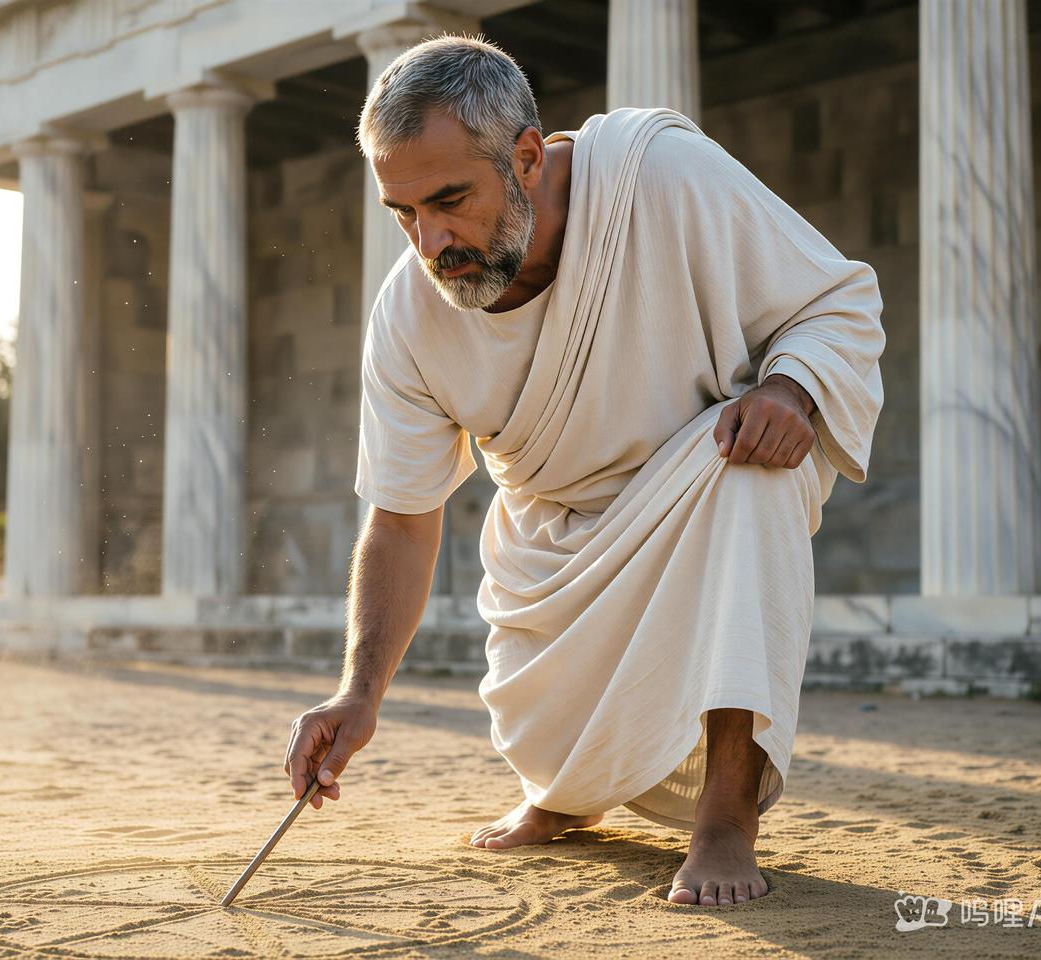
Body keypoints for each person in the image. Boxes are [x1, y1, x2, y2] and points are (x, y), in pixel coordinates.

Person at [282, 34, 885, 907]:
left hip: (707, 480)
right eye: (404, 213)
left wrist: (793, 387)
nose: (431, 239)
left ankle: (725, 818)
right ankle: (563, 796)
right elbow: (404, 514)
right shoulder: (409, 315)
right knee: (551, 753)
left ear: (527, 157)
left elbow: (837, 300)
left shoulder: (663, 177)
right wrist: (358, 691)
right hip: (553, 553)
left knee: (751, 466)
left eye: (451, 200)